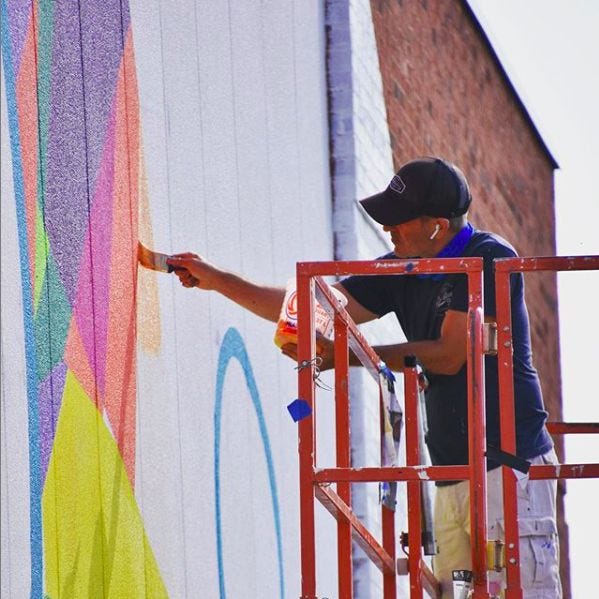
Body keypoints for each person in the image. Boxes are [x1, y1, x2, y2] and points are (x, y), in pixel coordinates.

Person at [167, 157, 561, 598]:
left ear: (435, 225)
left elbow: (452, 355)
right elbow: (317, 311)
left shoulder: (489, 257)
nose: (389, 230)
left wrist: (345, 357)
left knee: (521, 591)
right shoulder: (403, 267)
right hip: (453, 473)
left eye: (399, 220)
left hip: (508, 468)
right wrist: (218, 280)